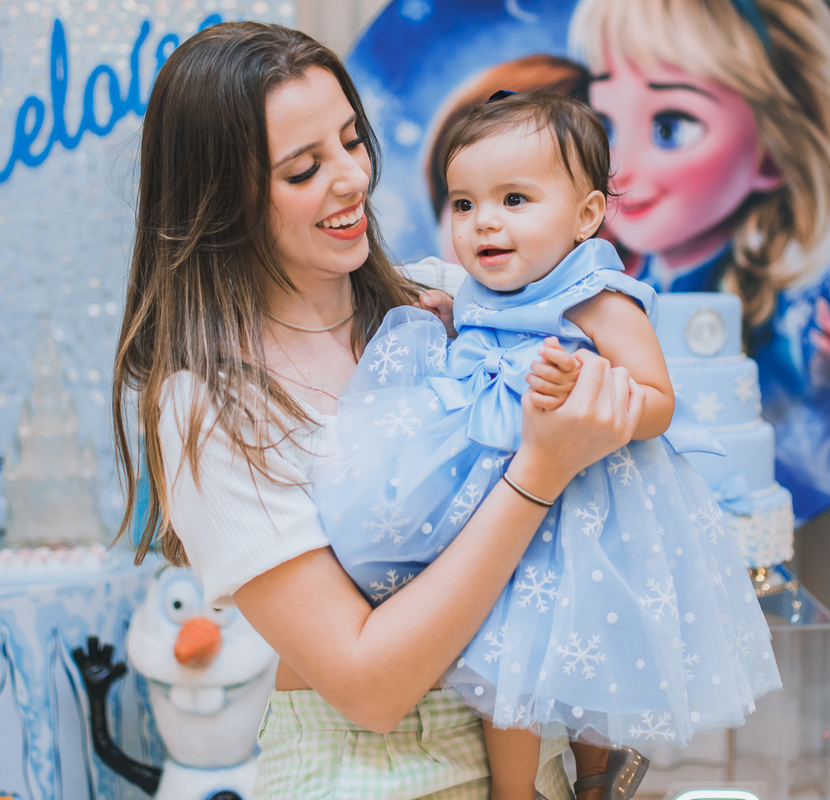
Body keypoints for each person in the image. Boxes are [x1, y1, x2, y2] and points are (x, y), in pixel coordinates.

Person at [111, 21, 642, 799]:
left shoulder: (452, 298)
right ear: (221, 201)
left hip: (534, 760)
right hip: (360, 773)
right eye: (303, 170)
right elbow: (370, 687)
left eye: (352, 141)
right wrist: (539, 470)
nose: (353, 178)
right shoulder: (208, 407)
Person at [315, 91, 781, 800]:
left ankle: (597, 779)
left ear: (586, 215)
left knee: (589, 648)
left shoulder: (595, 295)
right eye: (464, 204)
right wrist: (446, 323)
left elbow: (658, 403)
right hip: (501, 514)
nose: (484, 223)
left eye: (514, 198)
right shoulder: (473, 291)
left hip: (589, 509)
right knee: (510, 661)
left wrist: (594, 386)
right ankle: (515, 790)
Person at [568, 0, 830, 392]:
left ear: (773, 155)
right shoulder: (621, 281)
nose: (616, 167)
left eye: (669, 128)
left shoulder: (757, 311)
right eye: (604, 126)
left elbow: (779, 412)